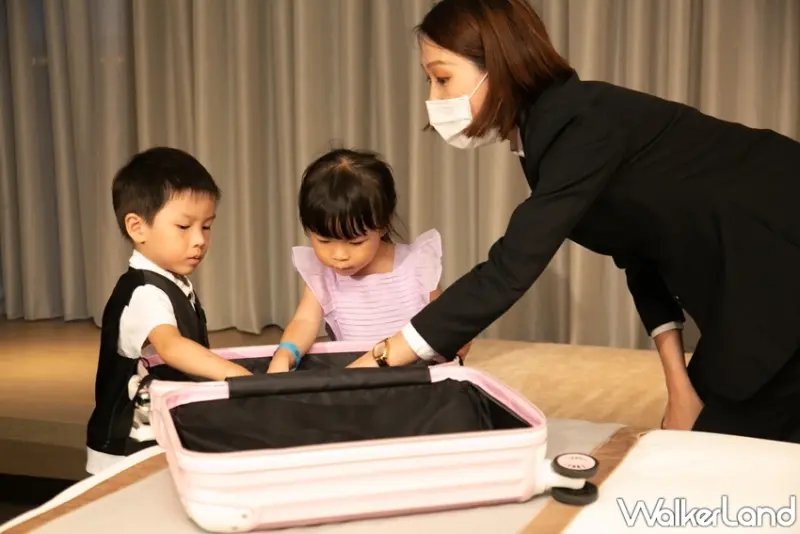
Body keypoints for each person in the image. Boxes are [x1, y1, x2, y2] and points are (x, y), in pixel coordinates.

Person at [348, 0, 800, 444]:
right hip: (757, 279)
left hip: (779, 255)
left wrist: (382, 358)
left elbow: (509, 270)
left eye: (443, 78)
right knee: (708, 436)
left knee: (726, 449)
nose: (433, 99)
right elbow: (638, 256)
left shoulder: (582, 123)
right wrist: (678, 386)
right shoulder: (547, 135)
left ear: (499, 64)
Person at [85, 147, 251, 475]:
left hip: (160, 435)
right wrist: (241, 378)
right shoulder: (144, 292)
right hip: (127, 448)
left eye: (206, 227)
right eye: (184, 226)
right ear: (137, 227)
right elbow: (171, 346)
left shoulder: (171, 282)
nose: (199, 240)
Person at [267, 148, 470, 373]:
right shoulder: (324, 275)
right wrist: (286, 353)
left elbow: (443, 321)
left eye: (356, 242)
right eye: (324, 241)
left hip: (417, 379)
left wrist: (457, 339)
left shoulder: (416, 265)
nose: (339, 255)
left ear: (383, 225)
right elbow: (304, 321)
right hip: (359, 378)